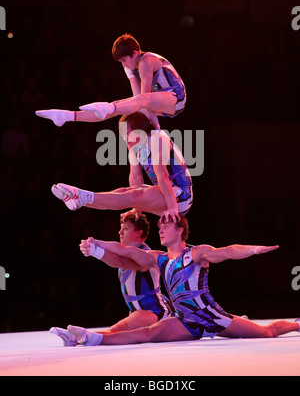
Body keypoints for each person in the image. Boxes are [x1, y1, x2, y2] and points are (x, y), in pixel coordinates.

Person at [50, 215, 300, 347]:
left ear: (179, 230)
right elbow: (126, 251)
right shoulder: (157, 258)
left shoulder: (197, 252)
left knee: (266, 333)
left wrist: (253, 250)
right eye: (159, 226)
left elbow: (227, 251)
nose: (160, 230)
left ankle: (296, 325)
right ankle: (90, 338)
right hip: (186, 321)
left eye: (165, 226)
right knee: (146, 335)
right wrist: (97, 244)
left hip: (211, 315)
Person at [50, 213, 172, 346]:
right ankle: (75, 338)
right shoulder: (126, 255)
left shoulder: (146, 256)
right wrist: (95, 249)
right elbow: (120, 259)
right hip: (139, 310)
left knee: (118, 329)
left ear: (139, 233)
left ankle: (79, 337)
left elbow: (121, 261)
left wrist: (96, 250)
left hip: (154, 312)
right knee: (120, 332)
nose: (120, 232)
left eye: (125, 228)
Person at [51, 112, 193, 221]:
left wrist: (173, 208)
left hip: (180, 196)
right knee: (125, 191)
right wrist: (138, 209)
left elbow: (162, 175)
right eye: (122, 135)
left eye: (127, 133)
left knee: (134, 194)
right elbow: (135, 177)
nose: (124, 138)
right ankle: (79, 201)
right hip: (166, 194)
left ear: (139, 130)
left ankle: (80, 195)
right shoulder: (135, 147)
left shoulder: (157, 138)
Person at [35, 34, 186, 129]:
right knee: (120, 105)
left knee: (121, 105)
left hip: (176, 98)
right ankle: (68, 116)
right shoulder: (130, 67)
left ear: (134, 53)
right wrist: (118, 108)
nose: (123, 65)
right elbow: (138, 101)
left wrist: (157, 130)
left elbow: (144, 98)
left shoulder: (146, 60)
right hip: (157, 100)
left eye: (124, 60)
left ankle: (108, 107)